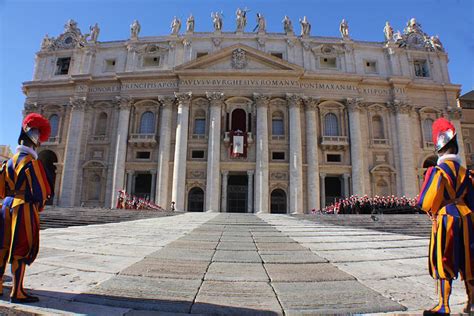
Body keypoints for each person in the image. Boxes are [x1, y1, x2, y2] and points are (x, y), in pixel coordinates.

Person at [417, 117, 474, 315]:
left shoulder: (437, 171)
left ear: (439, 149)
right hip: (467, 219)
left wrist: (432, 210)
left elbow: (426, 200)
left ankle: (443, 306)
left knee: (444, 259)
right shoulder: (467, 173)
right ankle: (471, 303)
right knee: (470, 261)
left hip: (446, 218)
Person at [0, 113, 52, 303]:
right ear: (34, 142)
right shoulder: (31, 162)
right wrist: (39, 205)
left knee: (2, 247)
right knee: (21, 248)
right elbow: (40, 191)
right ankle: (17, 291)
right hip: (24, 208)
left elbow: (1, 188)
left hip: (6, 205)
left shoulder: (8, 162)